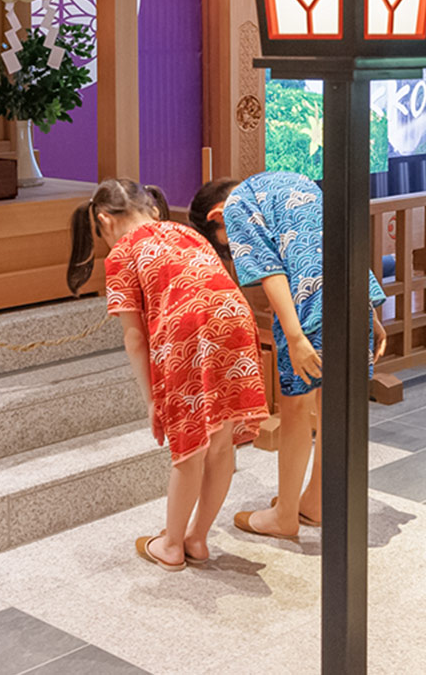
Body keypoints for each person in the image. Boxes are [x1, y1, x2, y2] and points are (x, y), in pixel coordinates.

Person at [68, 178, 269, 570]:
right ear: (153, 209)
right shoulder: (183, 231)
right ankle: (198, 538)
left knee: (189, 445)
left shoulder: (123, 252)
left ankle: (172, 544)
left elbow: (133, 338)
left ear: (105, 221)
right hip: (236, 319)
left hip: (188, 331)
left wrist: (151, 401)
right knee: (222, 440)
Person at [188, 171, 385, 542]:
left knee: (295, 409)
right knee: (335, 407)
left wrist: (294, 336)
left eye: (225, 246)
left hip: (308, 310)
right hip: (353, 298)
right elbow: (344, 239)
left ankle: (284, 516)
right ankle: (317, 502)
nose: (231, 250)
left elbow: (270, 271)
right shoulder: (297, 182)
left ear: (216, 216)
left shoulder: (238, 205)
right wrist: (371, 310)